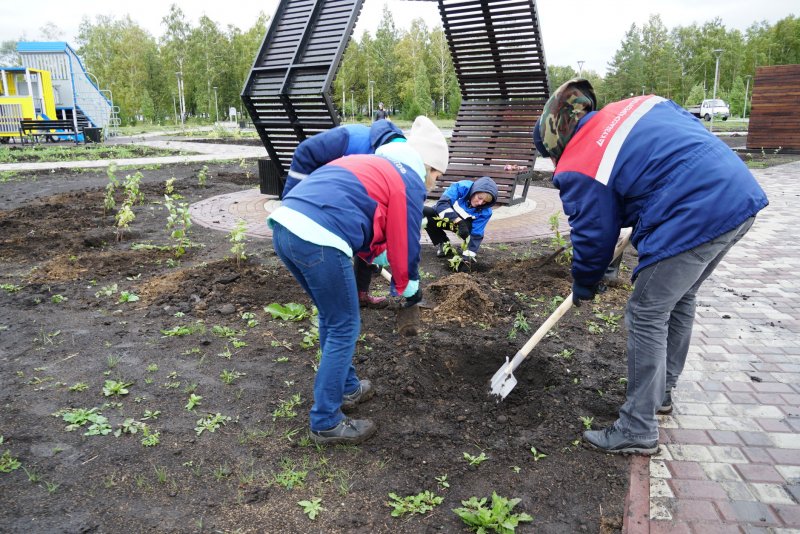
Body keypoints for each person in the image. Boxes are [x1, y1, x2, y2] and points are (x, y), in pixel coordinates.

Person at [533, 79, 768, 455]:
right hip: (737, 193)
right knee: (679, 297)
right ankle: (660, 394)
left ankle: (637, 427)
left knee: (646, 313)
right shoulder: (639, 105)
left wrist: (584, 282)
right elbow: (653, 166)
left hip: (695, 212)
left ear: (556, 142)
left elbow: (593, 235)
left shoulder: (578, 160)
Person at [267, 122, 449, 445]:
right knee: (345, 325)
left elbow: (369, 222)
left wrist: (381, 258)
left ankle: (347, 387)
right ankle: (325, 420)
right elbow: (406, 244)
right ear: (428, 166)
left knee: (332, 316)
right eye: (438, 176)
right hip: (319, 237)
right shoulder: (409, 180)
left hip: (286, 227)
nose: (435, 184)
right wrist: (410, 290)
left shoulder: (378, 165)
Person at [280, 119, 405, 308]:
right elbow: (306, 151)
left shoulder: (389, 160)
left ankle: (360, 293)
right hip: (317, 197)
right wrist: (290, 202)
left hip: (342, 197)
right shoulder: (352, 137)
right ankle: (331, 296)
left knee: (369, 230)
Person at [423, 177, 498, 271]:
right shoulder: (462, 186)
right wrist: (458, 221)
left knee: (471, 231)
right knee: (424, 214)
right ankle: (444, 244)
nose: (480, 203)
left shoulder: (485, 212)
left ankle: (464, 254)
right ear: (474, 192)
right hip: (445, 217)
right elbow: (442, 204)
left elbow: (476, 235)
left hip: (464, 229)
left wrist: (467, 259)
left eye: (485, 202)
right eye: (479, 198)